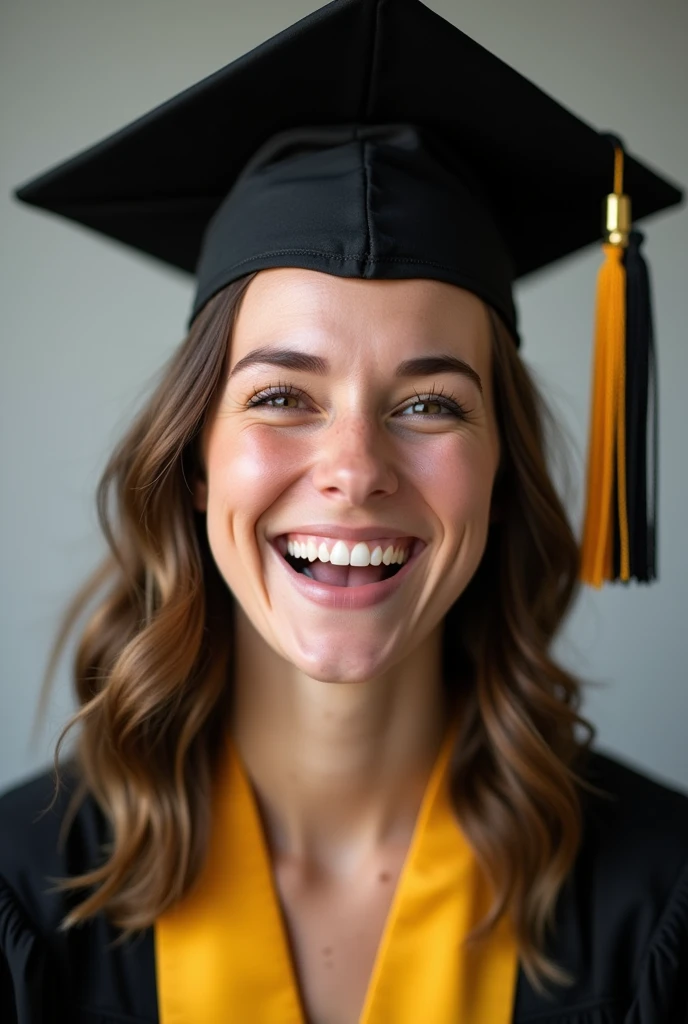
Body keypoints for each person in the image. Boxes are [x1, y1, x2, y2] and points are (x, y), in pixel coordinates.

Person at [2, 1, 687, 1022]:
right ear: (194, 459)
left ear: (502, 473)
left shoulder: (659, 896)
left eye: (429, 404)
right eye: (282, 395)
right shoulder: (20, 893)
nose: (355, 469)